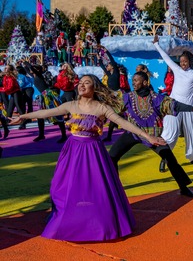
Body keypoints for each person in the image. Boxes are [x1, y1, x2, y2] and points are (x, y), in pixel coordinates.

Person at [10, 74, 165, 242]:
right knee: (60, 187)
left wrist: (148, 136)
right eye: (80, 83)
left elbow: (125, 123)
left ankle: (99, 225)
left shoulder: (101, 107)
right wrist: (23, 117)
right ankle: (68, 221)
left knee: (95, 189)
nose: (82, 85)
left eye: (87, 83)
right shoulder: (71, 105)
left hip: (93, 152)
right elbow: (47, 112)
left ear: (94, 88)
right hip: (72, 151)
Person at [109, 71, 193, 198]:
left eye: (136, 80)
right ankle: (116, 188)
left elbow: (175, 105)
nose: (133, 82)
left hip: (153, 135)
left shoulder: (157, 98)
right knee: (112, 156)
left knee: (171, 160)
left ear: (145, 82)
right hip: (133, 133)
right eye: (133, 80)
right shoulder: (128, 97)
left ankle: (184, 188)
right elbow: (112, 109)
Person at [153, 34, 193, 166]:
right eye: (181, 61)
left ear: (190, 62)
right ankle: (165, 157)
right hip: (174, 106)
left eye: (185, 61)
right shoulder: (176, 70)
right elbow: (166, 58)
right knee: (170, 133)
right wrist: (156, 45)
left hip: (190, 107)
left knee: (192, 132)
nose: (182, 64)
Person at [22, 61, 67, 143]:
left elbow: (31, 68)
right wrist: (23, 64)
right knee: (40, 116)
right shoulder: (34, 75)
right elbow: (27, 70)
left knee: (57, 115)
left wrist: (26, 62)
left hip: (49, 96)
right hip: (44, 96)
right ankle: (41, 135)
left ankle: (64, 135)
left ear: (37, 70)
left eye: (33, 69)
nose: (31, 70)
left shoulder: (39, 75)